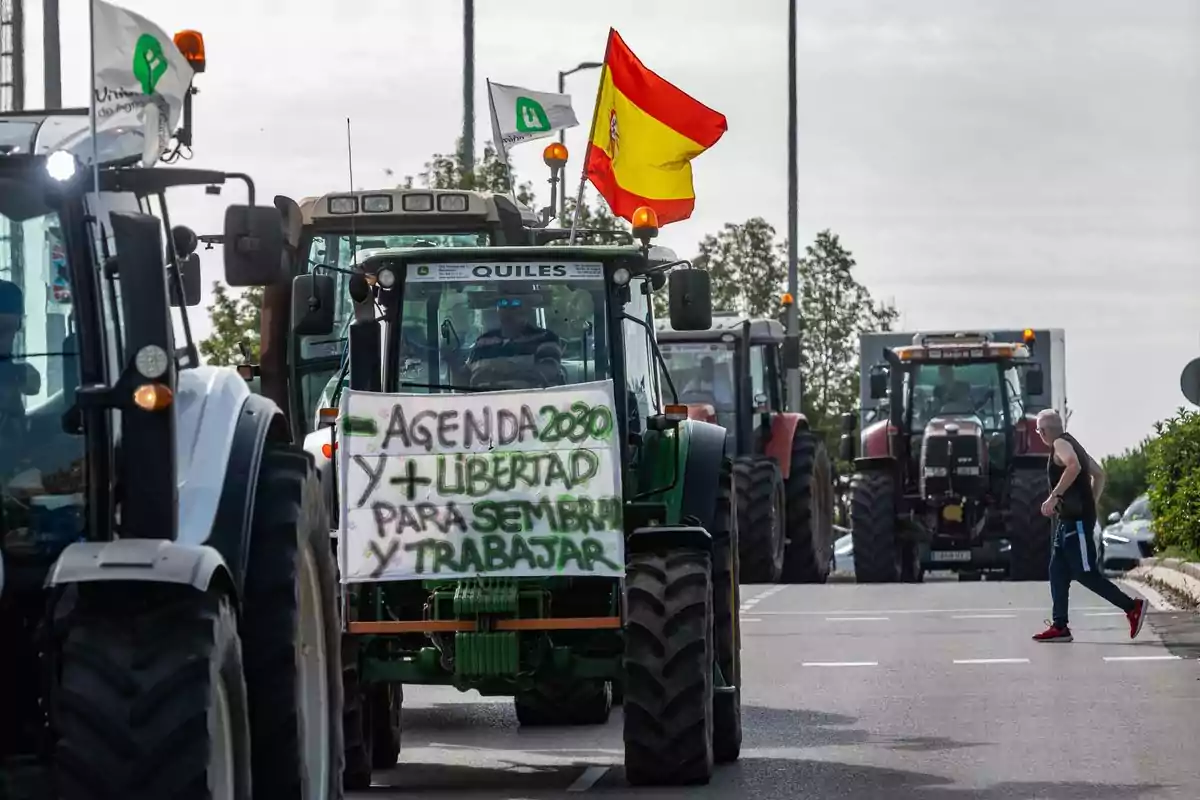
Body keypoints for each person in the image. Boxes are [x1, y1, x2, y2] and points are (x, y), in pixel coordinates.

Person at [1031, 408, 1146, 642]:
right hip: (1068, 522)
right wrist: (1091, 501)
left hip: (1076, 523)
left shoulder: (1061, 445)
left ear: (1043, 431)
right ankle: (1060, 626)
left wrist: (1054, 497)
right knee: (1057, 571)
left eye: (1038, 430)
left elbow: (1074, 466)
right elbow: (1100, 474)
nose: (1039, 434)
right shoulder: (1073, 443)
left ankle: (1131, 606)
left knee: (1085, 574)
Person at [448, 293, 563, 388]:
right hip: (481, 411)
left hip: (529, 409)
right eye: (502, 303)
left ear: (528, 308)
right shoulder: (482, 342)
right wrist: (452, 364)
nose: (508, 309)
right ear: (497, 310)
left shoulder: (545, 339)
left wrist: (495, 373)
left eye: (515, 303)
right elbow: (465, 381)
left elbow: (547, 372)